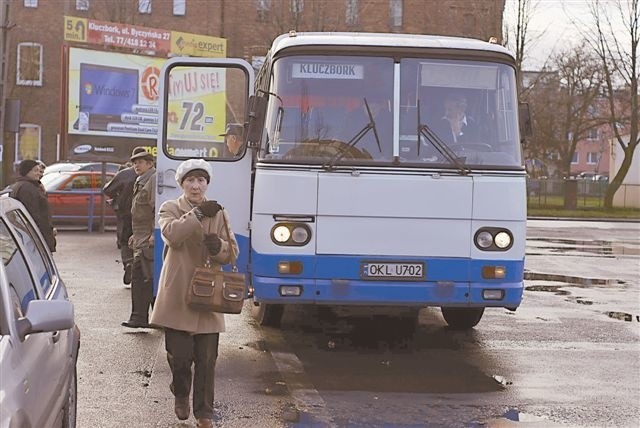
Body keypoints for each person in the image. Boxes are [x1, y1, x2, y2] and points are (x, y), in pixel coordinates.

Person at [150, 158, 239, 428]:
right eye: (190, 180)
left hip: (208, 295)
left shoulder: (220, 212)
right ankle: (180, 392)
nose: (196, 185)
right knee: (179, 357)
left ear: (207, 184)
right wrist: (198, 215)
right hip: (178, 292)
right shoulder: (170, 208)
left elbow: (231, 253)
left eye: (201, 180)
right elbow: (172, 235)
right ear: (181, 184)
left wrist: (218, 246)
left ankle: (204, 413)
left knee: (207, 359)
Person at [121, 147, 156, 329]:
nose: (136, 165)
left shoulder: (152, 181)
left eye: (140, 162)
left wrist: (153, 234)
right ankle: (149, 317)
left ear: (150, 164)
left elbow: (156, 209)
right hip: (141, 237)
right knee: (146, 277)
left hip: (148, 240)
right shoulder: (141, 180)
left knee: (141, 277)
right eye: (134, 162)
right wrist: (136, 234)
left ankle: (139, 317)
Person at [103, 159, 137, 285]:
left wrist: (119, 195)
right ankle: (137, 266)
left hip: (125, 212)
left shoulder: (124, 174)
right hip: (144, 214)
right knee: (142, 239)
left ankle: (128, 263)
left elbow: (107, 189)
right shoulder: (152, 173)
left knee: (124, 240)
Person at [10, 159, 56, 252]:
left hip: (33, 235)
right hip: (35, 237)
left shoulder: (26, 186)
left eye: (39, 171)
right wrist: (46, 233)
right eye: (35, 170)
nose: (38, 173)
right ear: (27, 172)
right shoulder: (27, 189)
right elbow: (33, 215)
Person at [339, 94, 393, 159]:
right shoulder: (353, 120)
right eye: (369, 107)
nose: (372, 110)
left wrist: (386, 157)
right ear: (362, 107)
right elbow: (344, 139)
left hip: (381, 162)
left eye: (375, 107)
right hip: (355, 159)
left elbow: (391, 142)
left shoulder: (389, 122)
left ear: (380, 107)